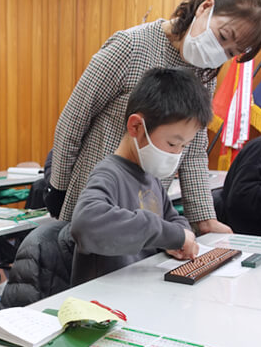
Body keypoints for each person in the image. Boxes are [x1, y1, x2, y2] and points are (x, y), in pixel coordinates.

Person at [47, 0, 261, 235]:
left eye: (230, 52)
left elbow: (194, 150)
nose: (218, 52)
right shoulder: (131, 46)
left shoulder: (204, 75)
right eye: (223, 36)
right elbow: (74, 120)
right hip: (97, 198)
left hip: (147, 206)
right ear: (204, 8)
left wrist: (204, 219)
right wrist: (58, 187)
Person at [70, 68, 208, 286]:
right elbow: (85, 224)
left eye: (184, 146)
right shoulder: (109, 174)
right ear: (136, 126)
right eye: (172, 143)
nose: (176, 154)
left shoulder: (151, 177)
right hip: (105, 302)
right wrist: (166, 233)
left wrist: (179, 236)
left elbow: (174, 221)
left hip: (144, 290)